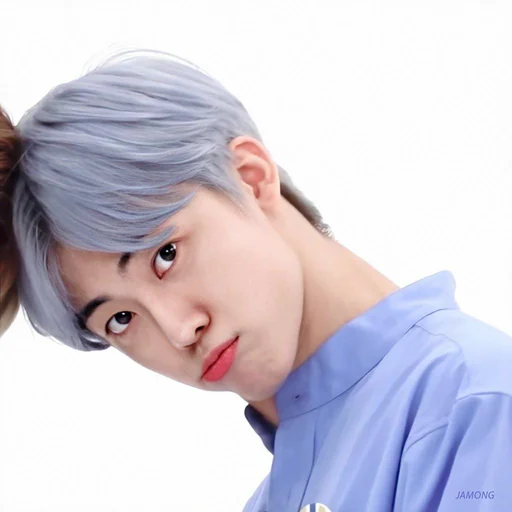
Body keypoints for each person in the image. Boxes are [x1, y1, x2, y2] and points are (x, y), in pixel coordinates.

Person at [0, 49, 511, 512]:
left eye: (166, 255)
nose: (179, 331)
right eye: (120, 318)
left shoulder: (476, 403)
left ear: (250, 176)